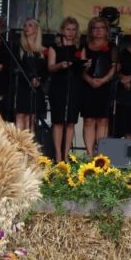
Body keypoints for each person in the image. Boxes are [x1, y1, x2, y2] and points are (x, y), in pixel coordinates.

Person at [47, 17, 85, 162]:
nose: (71, 32)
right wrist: (60, 65)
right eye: (68, 29)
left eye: (73, 29)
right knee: (58, 121)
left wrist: (85, 65)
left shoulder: (79, 47)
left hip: (75, 85)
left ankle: (66, 153)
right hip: (58, 86)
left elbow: (82, 65)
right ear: (62, 30)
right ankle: (58, 154)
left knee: (70, 122)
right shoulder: (54, 47)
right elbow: (50, 67)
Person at [81, 17, 117, 155]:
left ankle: (100, 154)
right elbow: (81, 67)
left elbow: (114, 66)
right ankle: (90, 154)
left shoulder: (112, 46)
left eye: (101, 28)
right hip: (88, 85)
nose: (98, 31)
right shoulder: (85, 45)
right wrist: (89, 79)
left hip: (105, 86)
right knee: (89, 120)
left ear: (106, 30)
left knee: (103, 120)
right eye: (95, 28)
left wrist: (103, 80)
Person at [13, 18, 47, 132]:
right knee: (20, 116)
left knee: (31, 117)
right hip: (23, 86)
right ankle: (18, 146)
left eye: (30, 25)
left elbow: (46, 70)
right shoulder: (19, 47)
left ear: (37, 29)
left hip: (36, 89)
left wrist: (39, 79)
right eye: (25, 25)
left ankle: (28, 146)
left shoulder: (43, 50)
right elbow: (16, 67)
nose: (26, 27)